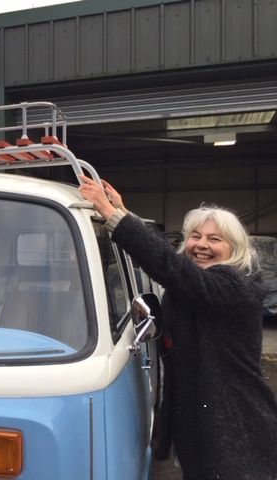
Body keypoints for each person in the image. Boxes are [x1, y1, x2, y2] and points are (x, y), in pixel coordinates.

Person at [79, 175, 277, 480]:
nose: (202, 245)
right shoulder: (200, 282)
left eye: (215, 239)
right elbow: (173, 265)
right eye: (196, 236)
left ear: (234, 248)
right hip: (204, 417)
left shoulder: (234, 285)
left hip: (235, 424)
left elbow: (171, 267)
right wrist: (123, 212)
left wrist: (113, 216)